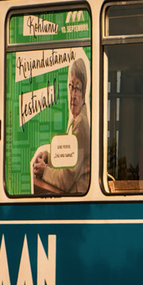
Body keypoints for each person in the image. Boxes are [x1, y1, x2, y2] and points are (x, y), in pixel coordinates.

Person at [28, 51, 91, 196]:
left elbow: (67, 178)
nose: (73, 95)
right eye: (71, 87)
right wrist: (49, 157)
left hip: (77, 195)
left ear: (84, 91)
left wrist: (44, 171)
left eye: (78, 88)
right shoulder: (77, 119)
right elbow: (69, 157)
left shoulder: (81, 123)